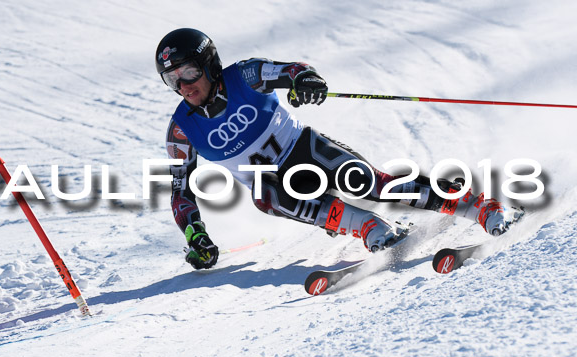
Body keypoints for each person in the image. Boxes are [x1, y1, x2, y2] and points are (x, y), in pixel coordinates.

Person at [157, 28, 523, 270]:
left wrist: (306, 81)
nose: (183, 86)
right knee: (265, 195)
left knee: (369, 183)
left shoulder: (244, 76)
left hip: (304, 150)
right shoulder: (182, 129)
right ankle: (368, 226)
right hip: (275, 185)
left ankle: (479, 206)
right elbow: (180, 190)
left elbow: (293, 70)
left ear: (209, 64)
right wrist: (196, 235)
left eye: (187, 72)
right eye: (172, 79)